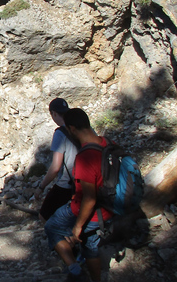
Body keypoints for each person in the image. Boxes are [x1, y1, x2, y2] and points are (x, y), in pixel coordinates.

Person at [44, 107, 112, 282]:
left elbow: (89, 198)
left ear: (72, 129)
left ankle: (75, 270)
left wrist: (78, 226)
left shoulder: (85, 157)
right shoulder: (107, 144)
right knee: (91, 246)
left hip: (85, 210)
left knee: (51, 227)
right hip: (107, 208)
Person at [38, 98, 79, 221]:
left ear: (54, 113)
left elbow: (55, 167)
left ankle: (61, 238)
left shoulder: (60, 134)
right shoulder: (82, 127)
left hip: (67, 183)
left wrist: (41, 187)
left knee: (44, 216)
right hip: (87, 179)